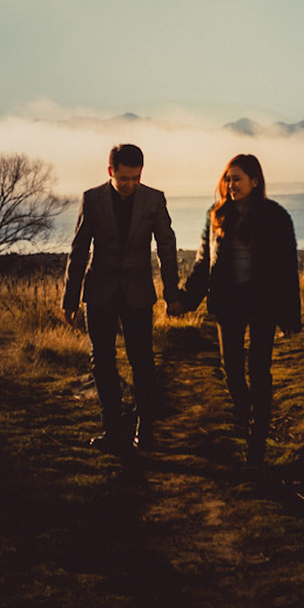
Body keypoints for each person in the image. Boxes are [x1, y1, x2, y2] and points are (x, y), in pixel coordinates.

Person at [175, 153, 302, 466]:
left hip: (263, 304)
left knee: (259, 371)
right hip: (228, 302)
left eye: (237, 179)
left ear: (255, 181)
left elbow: (288, 268)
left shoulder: (276, 216)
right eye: (227, 178)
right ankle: (247, 416)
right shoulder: (216, 215)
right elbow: (204, 263)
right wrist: (186, 300)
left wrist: (290, 316)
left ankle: (257, 442)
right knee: (231, 371)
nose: (231, 185)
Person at [61, 143, 181, 454]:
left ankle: (145, 430)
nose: (129, 184)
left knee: (142, 362)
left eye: (136, 178)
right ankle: (113, 431)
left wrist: (172, 294)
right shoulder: (92, 199)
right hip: (99, 292)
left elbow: (166, 246)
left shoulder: (154, 199)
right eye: (124, 178)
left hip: (138, 293)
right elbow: (78, 250)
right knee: (102, 363)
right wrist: (70, 298)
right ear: (110, 171)